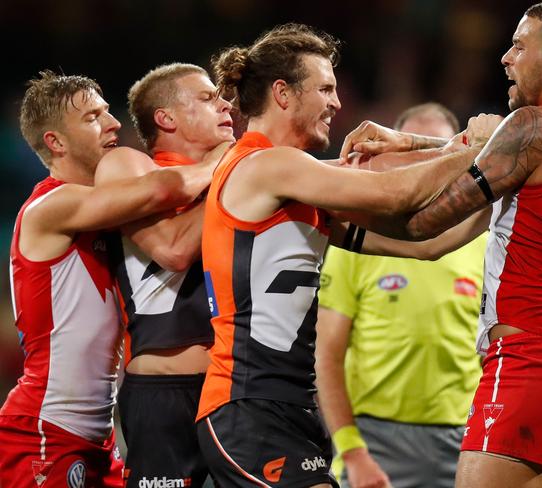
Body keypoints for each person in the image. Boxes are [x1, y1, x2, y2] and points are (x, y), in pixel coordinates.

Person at [339, 3, 542, 487]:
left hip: (534, 364)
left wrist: (321, 217)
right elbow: (496, 172)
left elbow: (421, 226)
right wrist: (407, 141)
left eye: (519, 46)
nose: (505, 57)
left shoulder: (535, 127)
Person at [197, 23, 500, 488]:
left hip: (291, 408)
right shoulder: (263, 164)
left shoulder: (299, 196)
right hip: (247, 406)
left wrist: (498, 186)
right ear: (283, 93)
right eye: (325, 88)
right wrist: (476, 148)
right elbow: (392, 191)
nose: (337, 103)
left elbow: (425, 241)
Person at [0, 71, 226, 488]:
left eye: (107, 111)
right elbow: (165, 189)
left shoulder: (108, 215)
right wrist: (224, 161)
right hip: (43, 430)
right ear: (56, 143)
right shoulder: (52, 205)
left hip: (100, 435)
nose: (113, 123)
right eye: (92, 117)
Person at [315, 103, 486, 488]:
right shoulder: (355, 243)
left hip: (465, 437)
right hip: (374, 439)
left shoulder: (481, 237)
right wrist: (352, 451)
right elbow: (326, 354)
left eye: (432, 156)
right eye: (408, 156)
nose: (420, 167)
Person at [92, 63, 234, 488]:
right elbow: (173, 249)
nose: (225, 105)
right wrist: (221, 166)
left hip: (234, 387)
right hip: (165, 393)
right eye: (208, 98)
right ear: (166, 118)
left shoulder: (233, 173)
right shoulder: (128, 167)